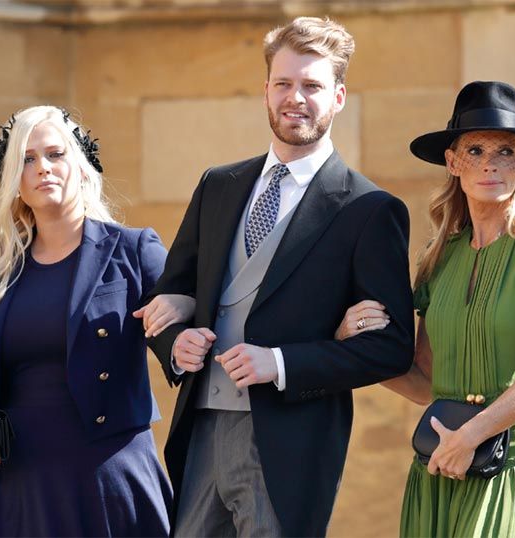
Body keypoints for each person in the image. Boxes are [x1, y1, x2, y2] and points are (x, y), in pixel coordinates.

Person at [137, 16, 415, 538]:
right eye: (284, 83)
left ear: (338, 96)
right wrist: (176, 344)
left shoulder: (369, 209)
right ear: (266, 90)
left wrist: (280, 363)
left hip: (288, 444)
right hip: (199, 430)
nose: (296, 98)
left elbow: (391, 349)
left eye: (312, 86)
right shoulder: (218, 185)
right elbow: (169, 295)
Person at [338, 80, 515, 536]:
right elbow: (424, 383)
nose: (490, 164)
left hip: (510, 467)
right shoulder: (439, 256)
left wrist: (469, 437)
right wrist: (350, 345)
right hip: (440, 464)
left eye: (505, 150)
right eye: (475, 150)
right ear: (452, 162)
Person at [0, 106, 174, 537]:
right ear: (14, 180)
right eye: (27, 160)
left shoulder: (135, 251)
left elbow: (178, 336)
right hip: (18, 484)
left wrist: (188, 315)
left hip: (109, 480)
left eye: (54, 154)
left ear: (80, 166)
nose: (42, 168)